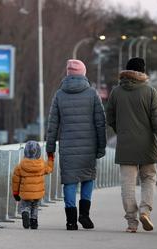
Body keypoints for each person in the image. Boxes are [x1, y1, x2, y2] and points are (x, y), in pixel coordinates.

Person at [106, 57, 157, 233]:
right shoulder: (150, 92)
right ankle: (145, 211)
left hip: (125, 145)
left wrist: (122, 131)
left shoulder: (116, 92)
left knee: (127, 184)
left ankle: (131, 222)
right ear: (142, 72)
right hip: (148, 146)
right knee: (148, 178)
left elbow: (109, 118)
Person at [46, 59, 106, 230]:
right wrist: (101, 147)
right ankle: (84, 215)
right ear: (83, 74)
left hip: (68, 146)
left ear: (68, 74)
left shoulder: (59, 95)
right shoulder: (92, 94)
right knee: (88, 178)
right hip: (89, 146)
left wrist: (50, 148)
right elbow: (100, 122)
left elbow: (52, 125)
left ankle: (71, 220)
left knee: (70, 182)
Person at [12, 141, 54, 229]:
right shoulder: (42, 165)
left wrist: (15, 193)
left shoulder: (20, 166)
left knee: (25, 206)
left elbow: (15, 180)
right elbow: (49, 169)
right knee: (35, 206)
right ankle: (34, 222)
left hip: (25, 192)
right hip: (38, 193)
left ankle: (25, 213)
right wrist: (50, 158)